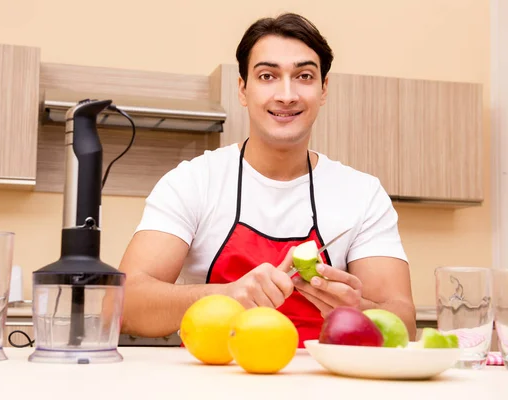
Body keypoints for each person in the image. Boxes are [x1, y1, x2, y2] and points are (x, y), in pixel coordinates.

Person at [118, 12, 416, 346]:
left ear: (323, 89)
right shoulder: (193, 181)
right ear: (243, 89)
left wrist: (355, 309)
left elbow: (403, 321)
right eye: (267, 76)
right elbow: (124, 304)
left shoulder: (362, 193)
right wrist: (227, 295)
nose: (286, 95)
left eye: (304, 76)